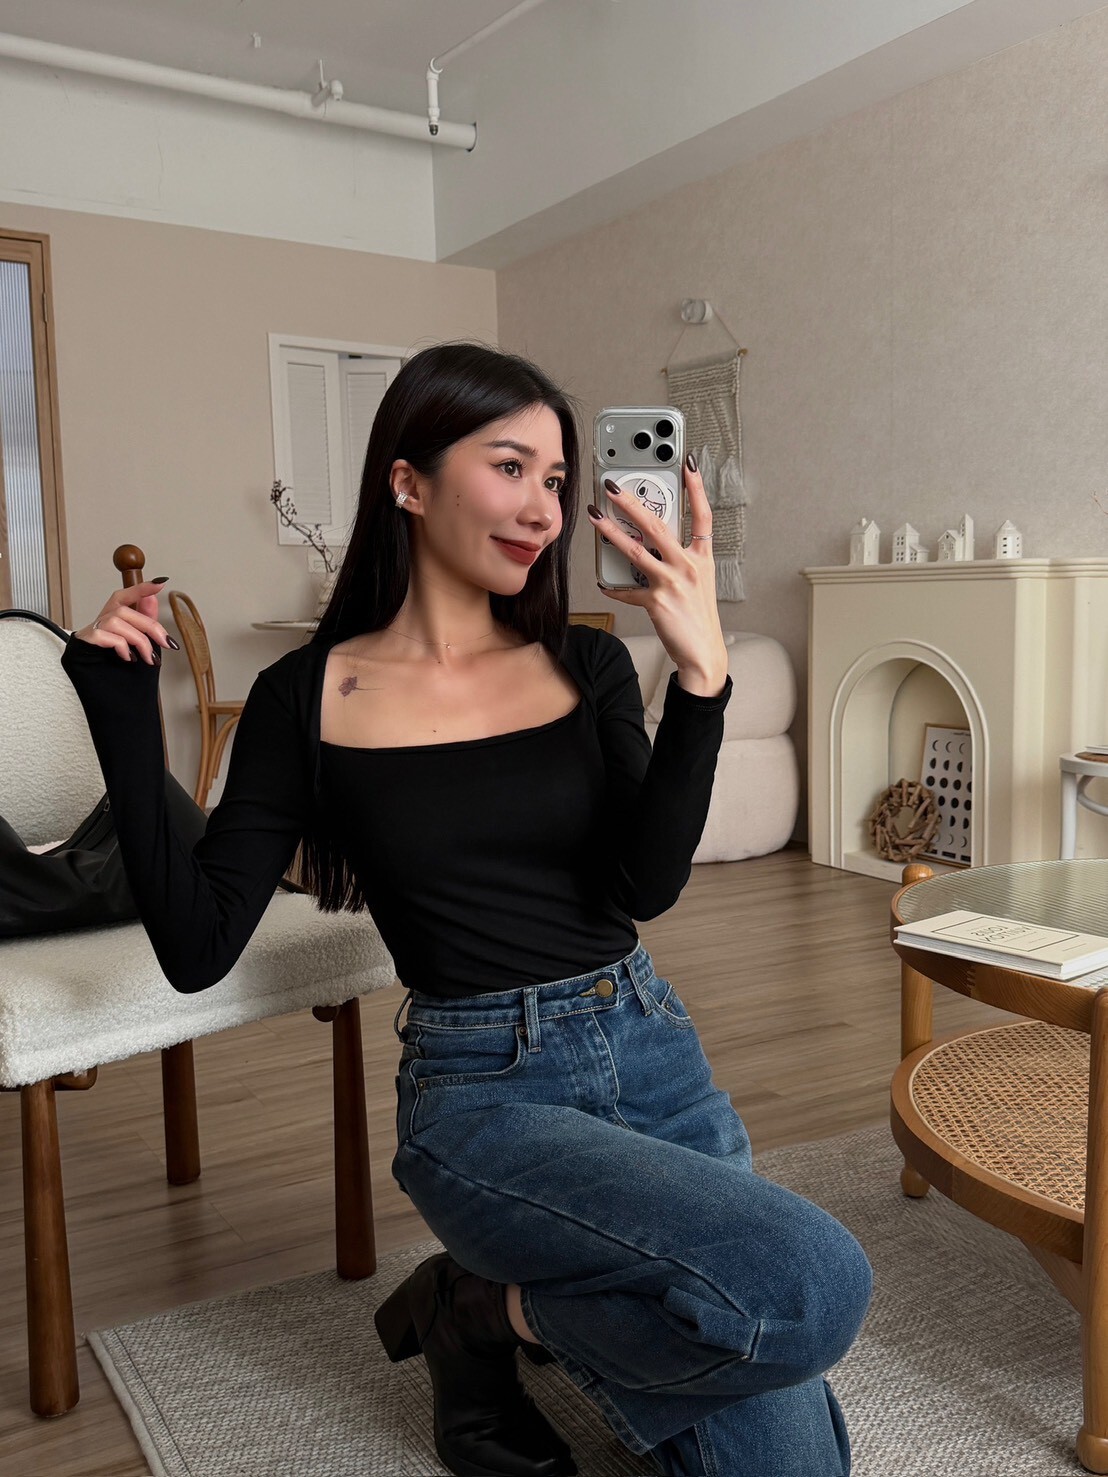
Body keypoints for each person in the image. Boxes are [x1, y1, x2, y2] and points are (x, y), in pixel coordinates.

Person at [61, 343, 872, 1477]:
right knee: (814, 1285)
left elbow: (645, 887)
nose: (544, 509)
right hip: (485, 1091)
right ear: (408, 480)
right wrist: (118, 712)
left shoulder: (586, 664)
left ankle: (490, 1311)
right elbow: (198, 946)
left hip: (649, 1049)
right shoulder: (307, 696)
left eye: (558, 479)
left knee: (786, 1401)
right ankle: (485, 1311)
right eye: (510, 467)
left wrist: (700, 683)